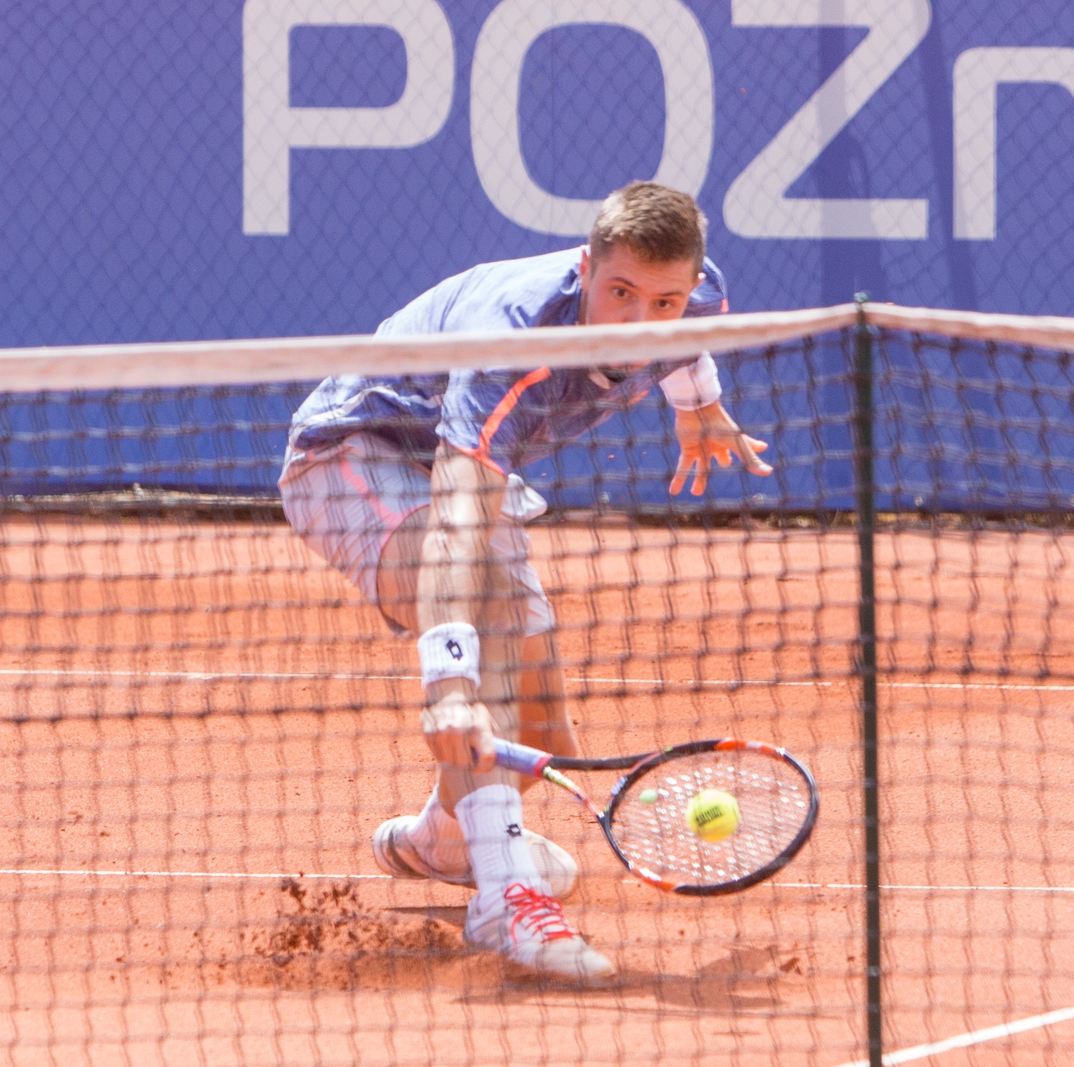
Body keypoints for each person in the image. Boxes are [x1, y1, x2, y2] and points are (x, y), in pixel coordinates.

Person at [279, 181, 772, 984]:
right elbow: (460, 520)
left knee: (540, 726)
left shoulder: (698, 298)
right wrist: (446, 679)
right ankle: (503, 899)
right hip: (358, 453)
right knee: (487, 613)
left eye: (662, 300)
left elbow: (685, 339)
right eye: (618, 293)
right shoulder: (516, 342)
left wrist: (698, 408)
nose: (638, 321)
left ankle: (443, 840)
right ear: (586, 270)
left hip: (468, 473)